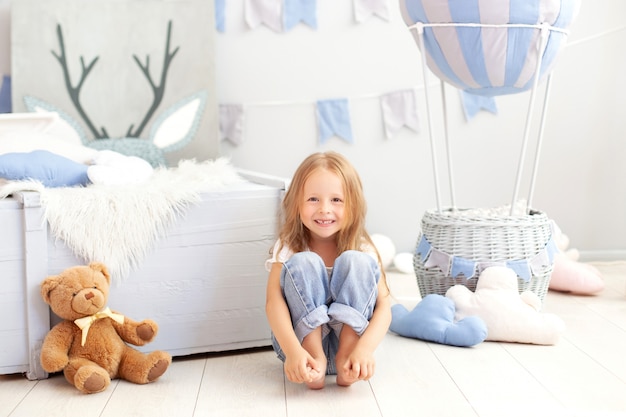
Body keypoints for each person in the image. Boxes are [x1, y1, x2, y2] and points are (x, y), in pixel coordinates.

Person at [265, 151, 391, 390]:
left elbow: (384, 307)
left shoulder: (363, 248)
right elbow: (274, 303)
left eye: (336, 200)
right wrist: (293, 352)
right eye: (313, 199)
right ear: (296, 203)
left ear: (352, 205)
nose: (324, 209)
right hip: (299, 349)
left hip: (354, 350)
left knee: (356, 260)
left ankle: (346, 356)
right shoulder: (290, 246)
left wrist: (364, 350)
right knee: (305, 262)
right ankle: (315, 360)